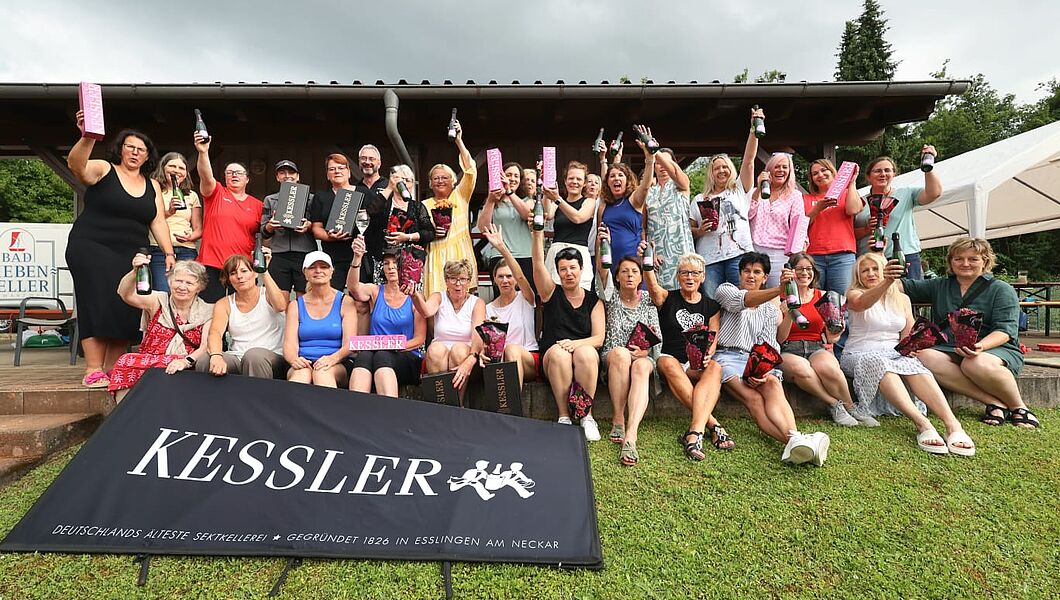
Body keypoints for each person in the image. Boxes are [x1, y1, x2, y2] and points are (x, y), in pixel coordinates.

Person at [66, 115, 175, 388]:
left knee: (125, 305)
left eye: (141, 149)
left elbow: (158, 221)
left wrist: (169, 253)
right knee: (97, 302)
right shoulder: (104, 169)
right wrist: (87, 136)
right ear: (121, 149)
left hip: (132, 254)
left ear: (148, 156)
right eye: (130, 147)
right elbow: (77, 166)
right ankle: (93, 369)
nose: (135, 153)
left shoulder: (152, 185)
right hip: (91, 245)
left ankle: (114, 368)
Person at [842, 252, 976, 455]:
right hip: (859, 352)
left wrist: (912, 346)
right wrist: (887, 281)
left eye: (875, 269)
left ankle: (953, 425)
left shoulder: (902, 299)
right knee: (881, 365)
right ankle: (923, 424)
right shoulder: (854, 294)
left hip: (893, 352)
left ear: (885, 270)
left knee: (915, 366)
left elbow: (908, 333)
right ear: (858, 276)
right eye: (865, 270)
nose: (871, 273)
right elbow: (862, 304)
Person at [903, 237, 1039, 428]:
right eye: (959, 258)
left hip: (995, 348)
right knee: (924, 356)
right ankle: (993, 402)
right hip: (950, 347)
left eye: (973, 259)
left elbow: (1005, 331)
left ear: (985, 261)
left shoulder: (1001, 289)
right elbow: (900, 286)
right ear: (951, 261)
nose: (965, 263)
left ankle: (1019, 407)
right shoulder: (940, 285)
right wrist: (881, 266)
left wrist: (980, 346)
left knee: (974, 363)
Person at [713, 253, 830, 465]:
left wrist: (761, 370)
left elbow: (769, 345)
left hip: (755, 360)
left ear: (765, 277)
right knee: (755, 400)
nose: (751, 275)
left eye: (757, 272)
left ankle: (797, 442)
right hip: (728, 356)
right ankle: (798, 442)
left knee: (774, 383)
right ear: (739, 274)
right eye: (746, 271)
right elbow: (743, 301)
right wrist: (779, 289)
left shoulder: (769, 309)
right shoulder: (726, 290)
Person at [642, 249, 734, 460]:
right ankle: (712, 424)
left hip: (696, 363)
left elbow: (713, 338)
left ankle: (694, 433)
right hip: (671, 358)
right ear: (678, 276)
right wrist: (646, 263)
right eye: (684, 273)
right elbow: (653, 287)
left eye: (695, 273)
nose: (689, 277)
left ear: (703, 277)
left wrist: (708, 354)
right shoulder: (668, 297)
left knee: (715, 367)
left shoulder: (711, 306)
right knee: (666, 362)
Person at [776, 253, 877, 426]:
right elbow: (779, 338)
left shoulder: (824, 296)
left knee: (829, 368)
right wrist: (789, 314)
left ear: (814, 272)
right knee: (802, 369)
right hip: (788, 348)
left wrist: (836, 329)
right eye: (799, 269)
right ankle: (833, 404)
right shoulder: (779, 298)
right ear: (790, 272)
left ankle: (851, 407)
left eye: (808, 269)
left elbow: (831, 338)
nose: (804, 273)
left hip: (816, 346)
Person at [532, 219, 605, 441]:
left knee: (586, 353)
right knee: (559, 354)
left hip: (583, 354)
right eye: (563, 269)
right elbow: (538, 264)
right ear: (557, 272)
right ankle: (564, 416)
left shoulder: (594, 301)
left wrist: (575, 344)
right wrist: (537, 233)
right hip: (554, 357)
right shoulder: (550, 292)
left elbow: (598, 338)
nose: (568, 273)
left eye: (573, 268)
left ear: (581, 269)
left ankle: (586, 416)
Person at [594, 238, 661, 466]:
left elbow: (656, 336)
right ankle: (618, 418)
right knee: (621, 355)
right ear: (617, 277)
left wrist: (646, 351)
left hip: (642, 357)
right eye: (624, 271)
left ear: (641, 277)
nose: (630, 275)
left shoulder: (649, 301)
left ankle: (631, 434)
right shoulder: (610, 298)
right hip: (614, 356)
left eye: (634, 271)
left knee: (642, 366)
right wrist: (603, 245)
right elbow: (602, 273)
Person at [108, 256, 211, 402]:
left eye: (189, 283)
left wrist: (185, 361)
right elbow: (125, 294)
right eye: (178, 281)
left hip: (185, 362)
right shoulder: (158, 300)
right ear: (170, 282)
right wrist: (135, 272)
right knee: (126, 360)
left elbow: (206, 346)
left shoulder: (208, 311)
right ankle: (124, 410)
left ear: (199, 287)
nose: (182, 287)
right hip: (149, 361)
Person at [689, 107, 761, 296]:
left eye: (725, 167)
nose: (721, 171)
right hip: (709, 258)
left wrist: (754, 129)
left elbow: (749, 161)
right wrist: (700, 230)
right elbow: (690, 229)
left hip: (739, 254)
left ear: (731, 170)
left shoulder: (739, 189)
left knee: (740, 298)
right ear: (711, 173)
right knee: (712, 301)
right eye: (716, 168)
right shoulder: (699, 198)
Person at [346, 238, 426, 397]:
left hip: (406, 355)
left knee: (382, 355)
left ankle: (390, 407)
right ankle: (356, 406)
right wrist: (357, 258)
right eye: (386, 264)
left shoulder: (414, 296)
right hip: (375, 354)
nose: (390, 267)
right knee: (364, 357)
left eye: (395, 263)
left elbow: (419, 339)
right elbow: (354, 288)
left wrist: (392, 346)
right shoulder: (375, 291)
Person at [193, 129, 262, 303]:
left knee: (244, 309)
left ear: (247, 179)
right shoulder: (216, 193)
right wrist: (203, 152)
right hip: (211, 263)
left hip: (242, 268)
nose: (234, 175)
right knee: (209, 310)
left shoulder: (258, 205)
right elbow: (205, 176)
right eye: (229, 172)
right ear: (224, 177)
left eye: (239, 172)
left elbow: (265, 236)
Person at [856, 147, 941, 279]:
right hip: (871, 260)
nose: (882, 174)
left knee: (908, 292)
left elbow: (934, 193)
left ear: (894, 174)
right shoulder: (858, 201)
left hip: (904, 255)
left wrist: (928, 166)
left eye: (887, 170)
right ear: (868, 176)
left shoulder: (906, 193)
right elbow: (848, 233)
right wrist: (866, 229)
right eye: (877, 171)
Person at [201, 251, 288, 379]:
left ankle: (258, 394)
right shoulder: (224, 303)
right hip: (238, 356)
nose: (239, 276)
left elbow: (281, 306)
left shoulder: (267, 294)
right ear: (229, 279)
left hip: (271, 356)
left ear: (255, 273)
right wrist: (216, 355)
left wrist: (264, 271)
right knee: (205, 360)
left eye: (244, 271)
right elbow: (215, 333)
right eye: (233, 273)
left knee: (253, 356)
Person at [412, 259, 486, 400]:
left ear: (469, 282)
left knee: (459, 350)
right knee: (435, 349)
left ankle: (457, 404)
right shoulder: (438, 297)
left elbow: (479, 334)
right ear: (446, 280)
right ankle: (440, 403)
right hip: (439, 354)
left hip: (467, 355)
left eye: (463, 279)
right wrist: (414, 295)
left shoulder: (477, 303)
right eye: (453, 279)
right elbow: (426, 311)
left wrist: (471, 358)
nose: (458, 284)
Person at [283, 251, 357, 388]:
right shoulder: (295, 305)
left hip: (336, 362)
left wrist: (332, 359)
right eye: (312, 267)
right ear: (305, 273)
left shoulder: (345, 302)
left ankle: (329, 403)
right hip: (304, 362)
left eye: (323, 267)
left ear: (331, 272)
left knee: (322, 373)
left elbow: (350, 344)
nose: (318, 271)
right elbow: (289, 345)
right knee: (301, 375)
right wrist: (294, 360)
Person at [481, 224, 539, 390]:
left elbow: (521, 276)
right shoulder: (488, 309)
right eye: (501, 277)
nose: (505, 280)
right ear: (494, 279)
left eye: (509, 276)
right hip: (500, 362)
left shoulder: (526, 298)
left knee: (511, 350)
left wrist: (501, 247)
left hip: (528, 357)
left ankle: (513, 404)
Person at [423, 118, 477, 296]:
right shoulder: (424, 205)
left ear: (453, 181)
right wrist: (430, 233)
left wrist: (459, 141)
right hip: (435, 258)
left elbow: (470, 171)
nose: (440, 181)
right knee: (435, 304)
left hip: (460, 257)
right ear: (430, 184)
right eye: (436, 178)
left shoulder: (460, 196)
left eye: (445, 177)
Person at [639, 127, 696, 291]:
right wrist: (649, 252)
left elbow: (677, 174)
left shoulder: (680, 187)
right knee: (660, 297)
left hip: (682, 252)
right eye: (658, 163)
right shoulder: (650, 192)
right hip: (658, 256)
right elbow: (643, 227)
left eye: (666, 162)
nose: (662, 166)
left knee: (686, 294)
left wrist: (654, 150)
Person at [802, 159, 863, 294]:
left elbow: (853, 209)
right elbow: (800, 227)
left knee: (842, 298)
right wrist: (817, 209)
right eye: (815, 173)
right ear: (812, 179)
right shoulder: (806, 198)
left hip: (842, 255)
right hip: (813, 256)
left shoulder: (847, 193)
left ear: (833, 172)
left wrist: (851, 182)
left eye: (824, 170)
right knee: (813, 297)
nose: (820, 175)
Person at [371, 165, 434, 283]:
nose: (404, 183)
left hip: (410, 262)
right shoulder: (384, 203)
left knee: (409, 293)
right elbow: (371, 211)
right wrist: (389, 188)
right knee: (384, 292)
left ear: (412, 184)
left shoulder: (417, 207)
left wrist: (407, 237)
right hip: (385, 260)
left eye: (407, 180)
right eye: (400, 179)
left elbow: (430, 233)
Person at [749, 152, 804, 288]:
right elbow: (748, 215)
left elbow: (798, 225)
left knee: (778, 292)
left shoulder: (795, 195)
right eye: (777, 166)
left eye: (785, 167)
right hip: (755, 249)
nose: (781, 170)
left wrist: (798, 252)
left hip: (780, 253)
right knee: (754, 292)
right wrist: (758, 189)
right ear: (769, 170)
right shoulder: (755, 192)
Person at [148, 152, 202, 292]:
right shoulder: (153, 191)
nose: (177, 171)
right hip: (159, 250)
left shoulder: (191, 195)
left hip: (186, 250)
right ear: (163, 168)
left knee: (187, 291)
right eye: (172, 166)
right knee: (164, 292)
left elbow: (198, 229)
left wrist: (191, 236)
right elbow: (151, 219)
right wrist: (169, 211)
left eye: (181, 168)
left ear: (186, 173)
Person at [261, 160, 314, 297]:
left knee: (304, 299)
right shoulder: (269, 200)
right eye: (282, 173)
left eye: (291, 172)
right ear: (277, 177)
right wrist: (270, 226)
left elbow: (320, 226)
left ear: (298, 176)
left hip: (304, 253)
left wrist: (309, 225)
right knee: (278, 299)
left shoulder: (311, 199)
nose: (287, 176)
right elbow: (263, 231)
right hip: (279, 254)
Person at [478, 161, 535, 290]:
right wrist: (491, 200)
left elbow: (527, 214)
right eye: (509, 175)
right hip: (499, 256)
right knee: (502, 295)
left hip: (525, 256)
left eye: (516, 176)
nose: (512, 179)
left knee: (527, 296)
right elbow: (483, 228)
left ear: (521, 181)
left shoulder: (528, 200)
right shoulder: (493, 203)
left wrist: (509, 192)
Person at [309, 154, 359, 290]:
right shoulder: (321, 197)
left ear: (349, 172)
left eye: (341, 168)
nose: (337, 171)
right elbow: (316, 228)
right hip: (333, 257)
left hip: (358, 256)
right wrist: (330, 237)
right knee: (333, 296)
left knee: (360, 298)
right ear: (327, 175)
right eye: (332, 169)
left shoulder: (362, 193)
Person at [544, 161, 595, 289]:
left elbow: (578, 218)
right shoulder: (557, 203)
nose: (574, 182)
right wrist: (547, 188)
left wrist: (558, 199)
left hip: (579, 252)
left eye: (579, 179)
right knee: (554, 293)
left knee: (580, 292)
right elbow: (548, 214)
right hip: (556, 252)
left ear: (584, 183)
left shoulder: (589, 202)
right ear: (565, 181)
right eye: (571, 178)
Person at [353, 144, 392, 284]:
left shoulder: (389, 185)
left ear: (379, 163)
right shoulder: (354, 188)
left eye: (371, 158)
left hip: (385, 249)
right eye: (363, 158)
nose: (367, 162)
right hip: (361, 250)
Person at [599, 162, 643, 273]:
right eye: (612, 176)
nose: (616, 178)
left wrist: (649, 161)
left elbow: (645, 187)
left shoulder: (634, 200)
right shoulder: (604, 206)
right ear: (607, 182)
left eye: (620, 175)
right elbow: (598, 237)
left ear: (627, 180)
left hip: (632, 258)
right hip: (610, 257)